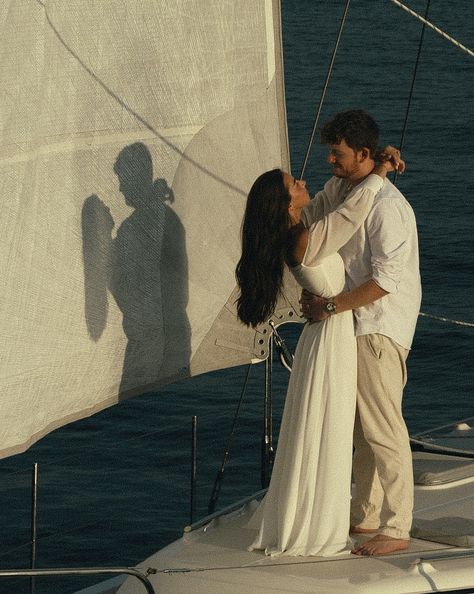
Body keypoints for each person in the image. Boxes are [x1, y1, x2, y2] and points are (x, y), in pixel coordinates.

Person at [236, 153, 399, 557]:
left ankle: (316, 515)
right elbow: (352, 214)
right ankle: (318, 527)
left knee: (328, 425)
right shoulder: (305, 238)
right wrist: (379, 172)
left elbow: (333, 202)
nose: (302, 181)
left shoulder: (300, 233)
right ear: (287, 204)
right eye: (295, 184)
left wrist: (351, 170)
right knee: (332, 425)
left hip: (327, 332)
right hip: (330, 335)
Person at [300, 109, 422, 556]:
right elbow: (310, 219)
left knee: (384, 428)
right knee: (361, 430)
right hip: (353, 324)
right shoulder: (340, 189)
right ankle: (368, 515)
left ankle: (397, 524)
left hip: (378, 328)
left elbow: (386, 280)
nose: (330, 160)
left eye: (338, 153)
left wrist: (330, 306)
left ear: (364, 154)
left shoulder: (389, 208)